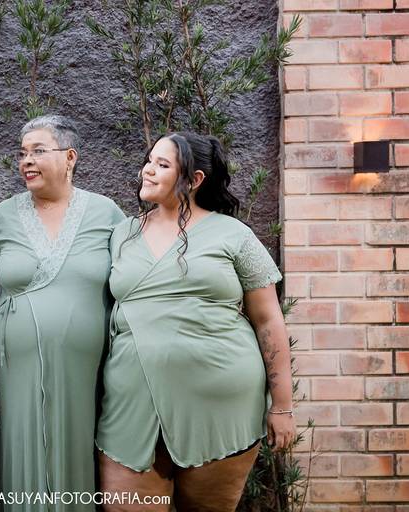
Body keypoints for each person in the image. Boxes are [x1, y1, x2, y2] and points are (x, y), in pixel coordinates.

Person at [96, 132, 296, 512]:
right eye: (149, 160)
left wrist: (282, 406)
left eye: (162, 165)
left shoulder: (234, 235)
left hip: (221, 408)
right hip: (130, 404)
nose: (148, 170)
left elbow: (268, 320)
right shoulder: (122, 234)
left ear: (195, 179)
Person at [0, 114, 125, 510]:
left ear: (70, 157)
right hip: (19, 368)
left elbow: (130, 282)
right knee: (23, 450)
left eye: (38, 151)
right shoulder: (3, 215)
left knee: (78, 448)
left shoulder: (106, 214)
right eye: (22, 154)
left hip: (84, 371)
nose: (26, 161)